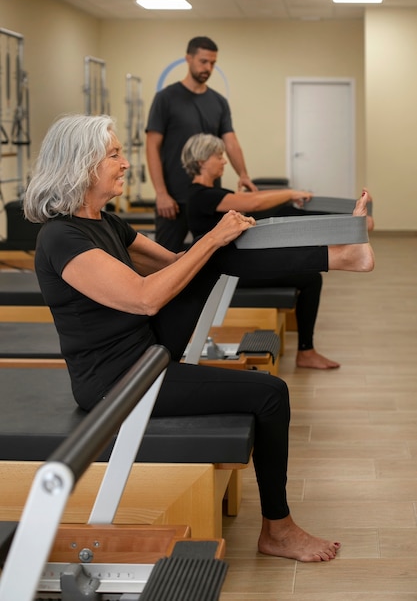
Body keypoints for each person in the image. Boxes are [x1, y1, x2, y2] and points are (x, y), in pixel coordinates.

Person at [24, 114, 374, 562]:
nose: (125, 163)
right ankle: (278, 531)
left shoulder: (107, 224)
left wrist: (218, 241)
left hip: (146, 351)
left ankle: (343, 253)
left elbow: (177, 264)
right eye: (113, 155)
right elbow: (146, 298)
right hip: (117, 381)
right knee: (271, 394)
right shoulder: (60, 238)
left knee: (216, 252)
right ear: (82, 165)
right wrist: (211, 241)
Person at [182, 133, 341, 369]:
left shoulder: (208, 195)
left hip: (233, 267)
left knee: (308, 275)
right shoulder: (202, 196)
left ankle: (307, 351)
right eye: (219, 156)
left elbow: (253, 204)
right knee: (310, 279)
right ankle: (306, 352)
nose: (224, 161)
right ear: (202, 161)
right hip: (228, 273)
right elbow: (254, 203)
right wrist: (291, 193)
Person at [146, 36, 256, 253]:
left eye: (213, 63)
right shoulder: (166, 98)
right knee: (164, 258)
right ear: (189, 58)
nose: (208, 68)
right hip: (173, 199)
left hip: (208, 198)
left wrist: (243, 174)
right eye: (203, 61)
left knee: (212, 257)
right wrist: (161, 193)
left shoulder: (218, 102)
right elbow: (152, 147)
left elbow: (230, 141)